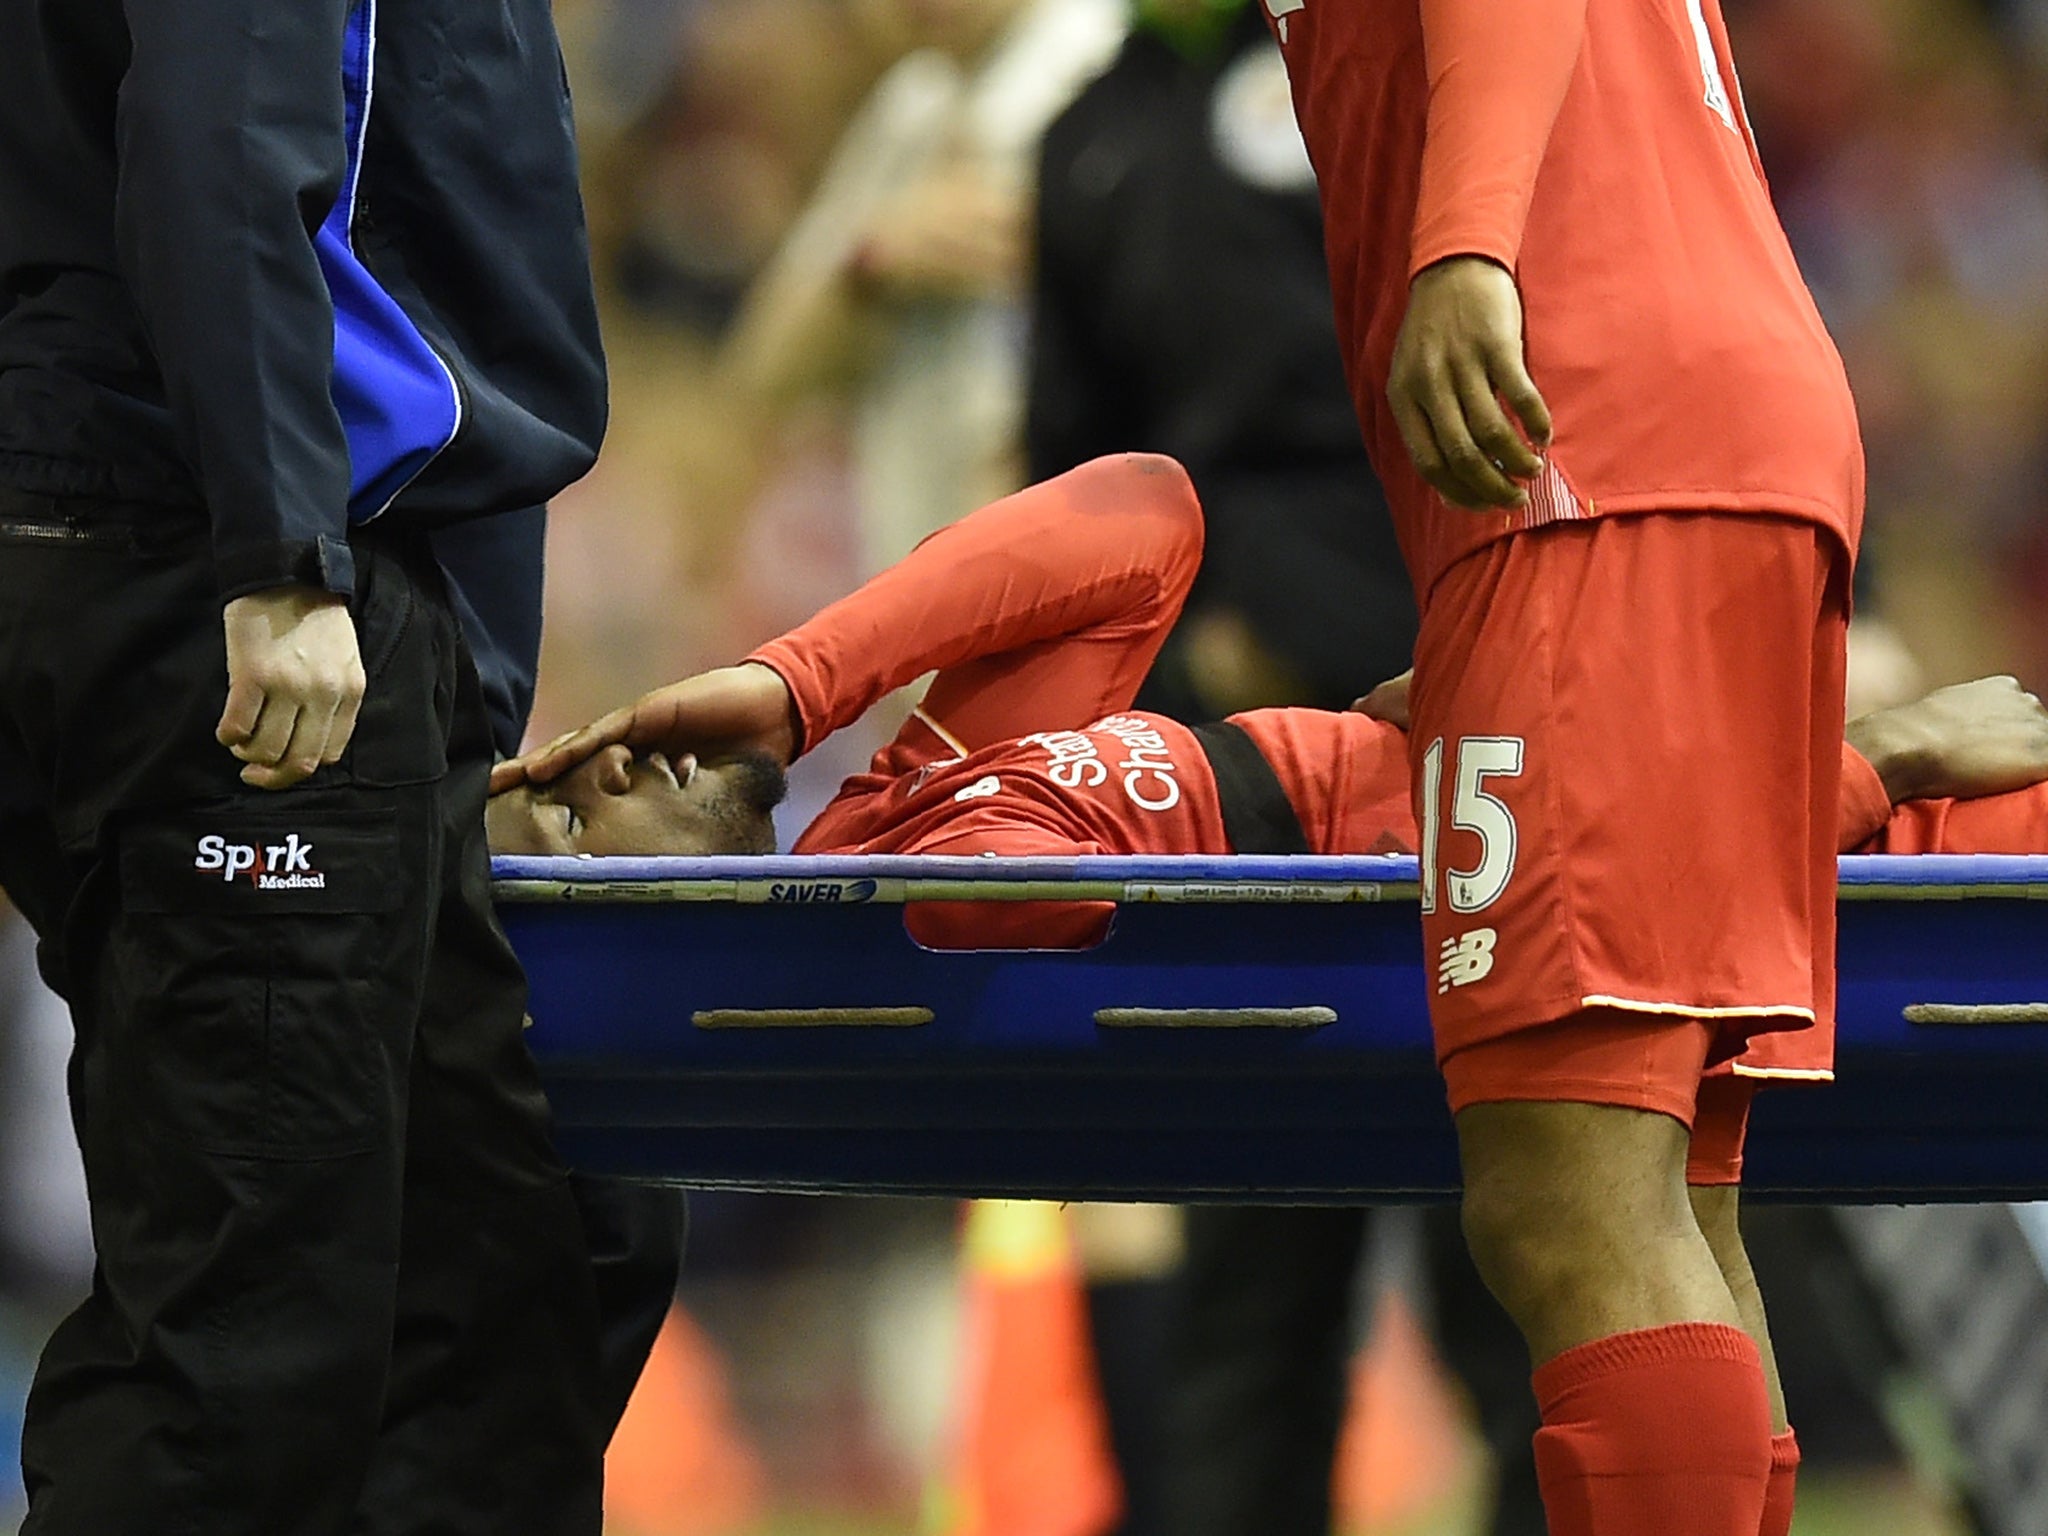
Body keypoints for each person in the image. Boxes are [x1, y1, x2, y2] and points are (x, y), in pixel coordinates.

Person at [490, 449, 2045, 1099]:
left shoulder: (892, 806)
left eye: (565, 758)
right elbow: (1001, 910)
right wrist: (1862, 762)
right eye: (574, 810)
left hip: (1564, 788)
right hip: (1623, 850)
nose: (613, 751)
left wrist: (789, 681)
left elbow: (1143, 518)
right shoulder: (911, 902)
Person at [0, 3, 617, 1532]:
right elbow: (223, 125)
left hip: (179, 537)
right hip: (224, 569)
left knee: (511, 1248)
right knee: (244, 1358)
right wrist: (278, 550)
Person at [1254, 0, 1866, 1527]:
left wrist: (1466, 248)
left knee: (1566, 1204)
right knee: (1668, 1200)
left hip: (1587, 446)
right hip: (1720, 439)